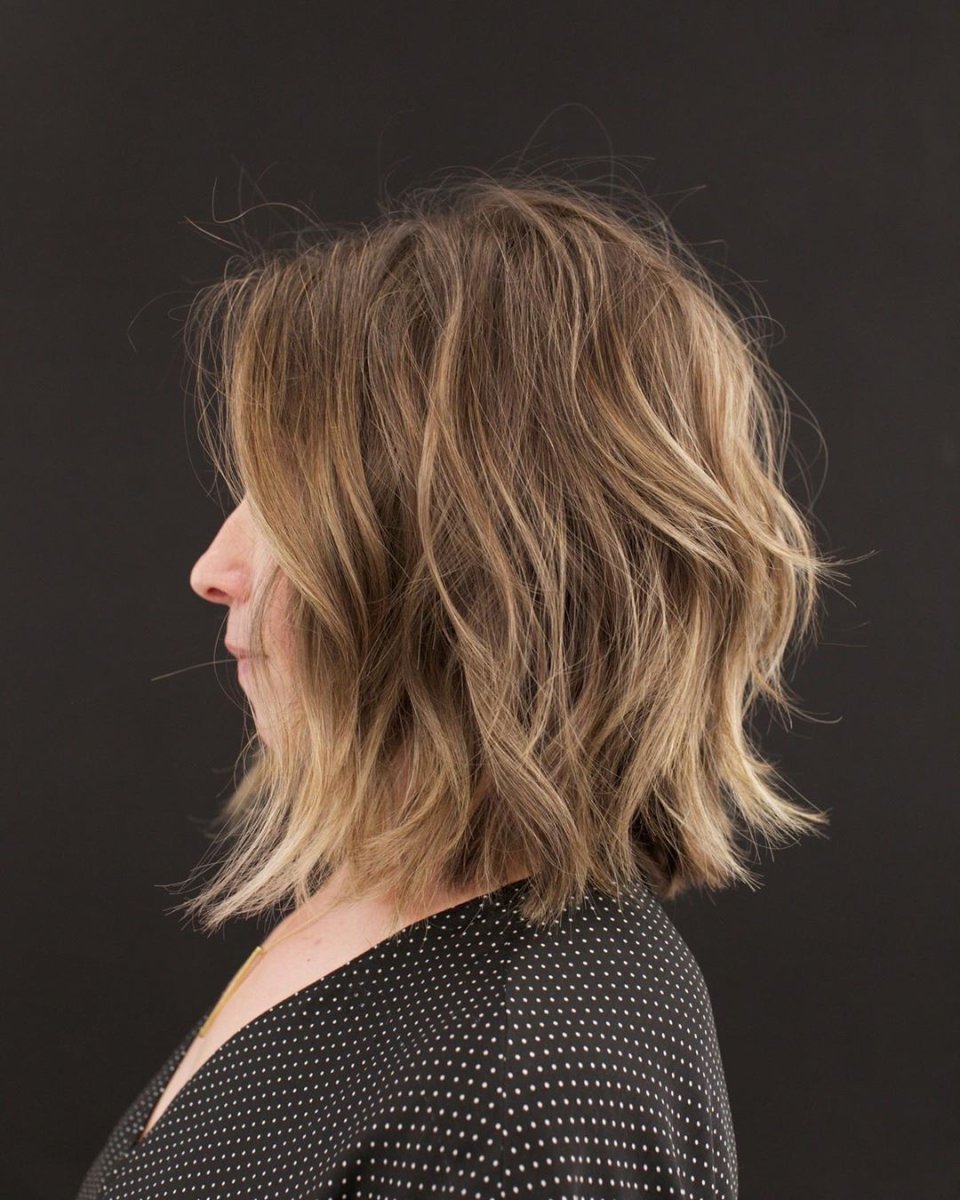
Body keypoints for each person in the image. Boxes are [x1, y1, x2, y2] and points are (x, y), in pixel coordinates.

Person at [75, 170, 842, 1199]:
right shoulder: (371, 914)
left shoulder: (523, 1097)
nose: (211, 568)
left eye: (284, 503)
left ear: (463, 570)